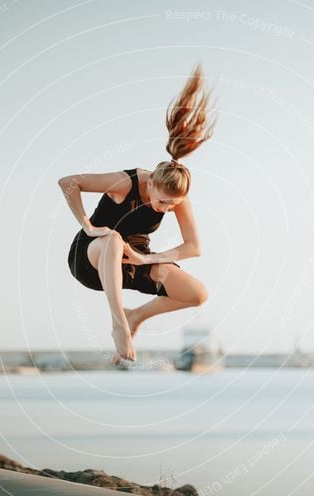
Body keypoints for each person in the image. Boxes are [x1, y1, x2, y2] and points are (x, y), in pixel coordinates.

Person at [59, 64, 217, 364]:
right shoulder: (125, 182)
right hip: (92, 257)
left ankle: (136, 316)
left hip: (134, 257)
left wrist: (147, 259)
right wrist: (89, 227)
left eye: (173, 205)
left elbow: (193, 247)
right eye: (162, 202)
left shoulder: (176, 194)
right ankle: (118, 323)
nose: (167, 209)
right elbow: (69, 183)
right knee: (114, 238)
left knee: (197, 293)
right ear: (152, 183)